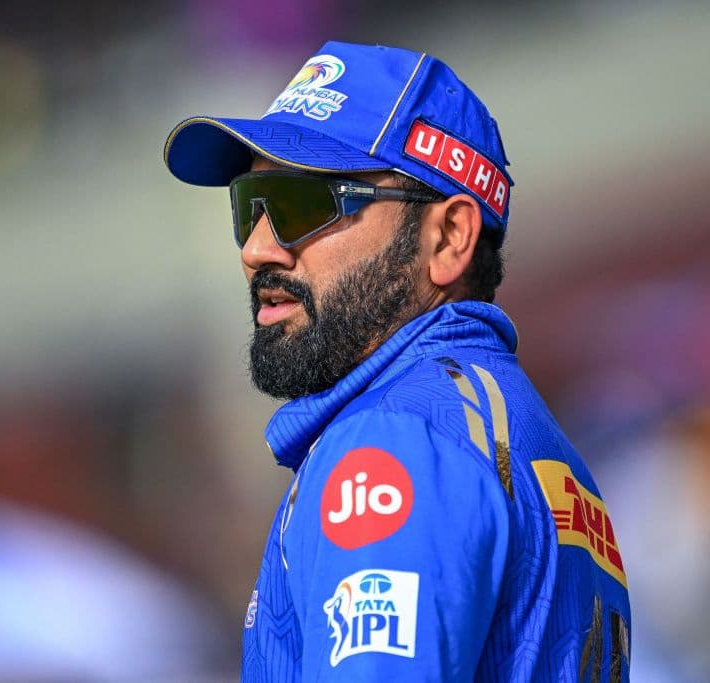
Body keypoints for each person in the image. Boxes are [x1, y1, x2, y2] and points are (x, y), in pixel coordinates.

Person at [163, 42, 631, 681]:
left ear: (447, 238)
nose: (258, 248)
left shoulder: (392, 442)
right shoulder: (526, 439)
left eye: (306, 203)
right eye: (251, 204)